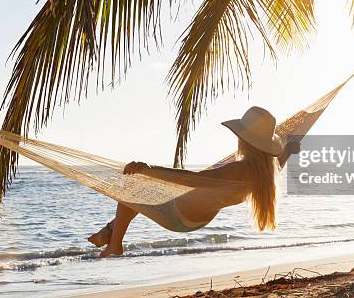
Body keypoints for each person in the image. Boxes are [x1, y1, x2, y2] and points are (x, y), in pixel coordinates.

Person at [87, 106, 300, 258]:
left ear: (243, 138)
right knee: (144, 197)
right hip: (196, 219)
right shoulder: (264, 174)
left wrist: (149, 169)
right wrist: (290, 148)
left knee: (135, 185)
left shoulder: (237, 169)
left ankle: (115, 244)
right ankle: (108, 232)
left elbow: (192, 179)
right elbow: (278, 159)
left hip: (179, 213)